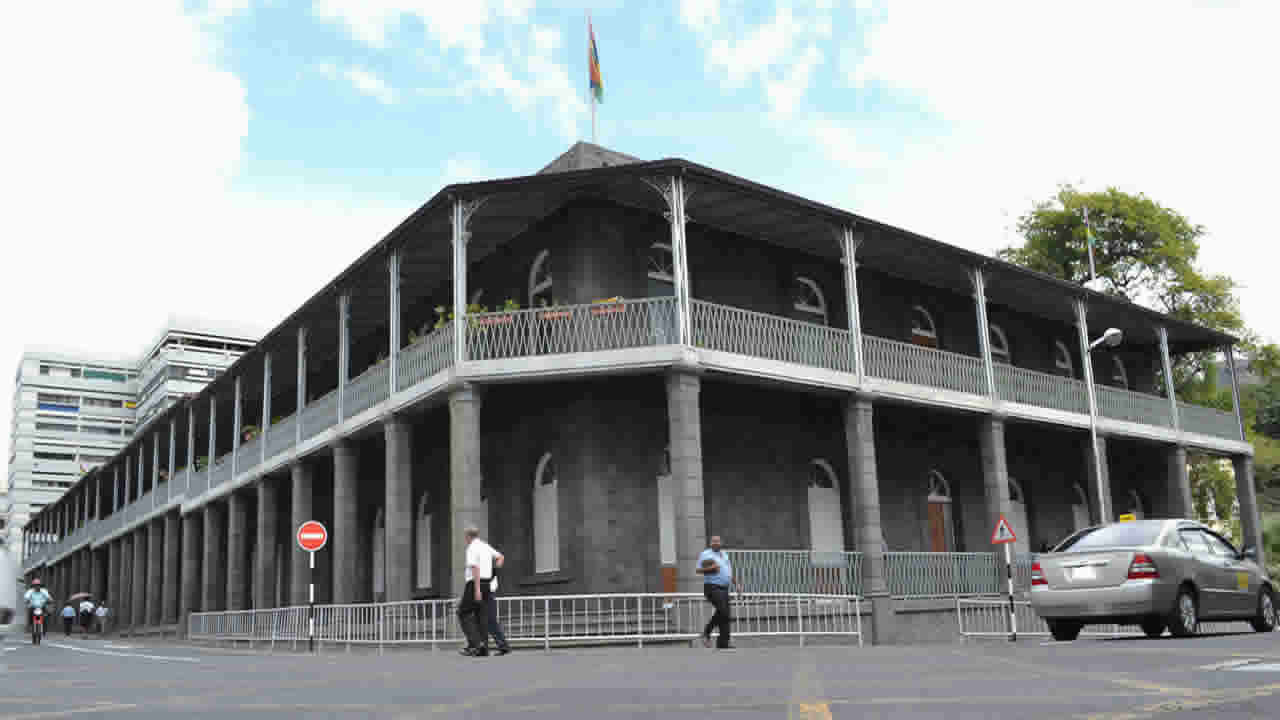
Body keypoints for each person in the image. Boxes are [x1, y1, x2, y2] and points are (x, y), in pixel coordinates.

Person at [456, 526, 496, 657]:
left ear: (468, 536)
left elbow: (475, 568)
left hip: (475, 583)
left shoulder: (472, 548)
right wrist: (493, 575)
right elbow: (500, 557)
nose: (465, 539)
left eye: (465, 537)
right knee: (480, 615)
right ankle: (483, 648)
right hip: (486, 583)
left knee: (463, 612)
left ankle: (476, 644)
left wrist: (477, 589)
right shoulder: (485, 546)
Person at [695, 535, 741, 650]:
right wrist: (711, 568)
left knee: (726, 615)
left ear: (721, 543)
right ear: (710, 543)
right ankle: (706, 633)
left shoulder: (724, 554)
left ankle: (723, 643)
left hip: (725, 588)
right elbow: (698, 570)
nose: (715, 543)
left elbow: (729, 571)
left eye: (718, 541)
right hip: (712, 587)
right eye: (713, 541)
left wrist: (736, 584)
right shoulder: (706, 554)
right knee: (723, 611)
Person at [485, 547, 511, 656]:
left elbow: (501, 558)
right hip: (487, 594)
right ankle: (501, 645)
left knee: (490, 621)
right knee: (489, 621)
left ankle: (502, 645)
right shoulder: (490, 569)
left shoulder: (488, 570)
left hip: (487, 594)